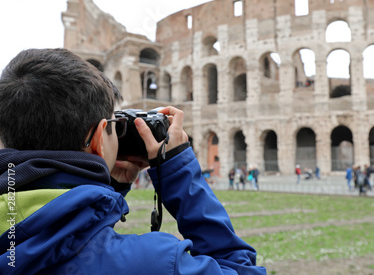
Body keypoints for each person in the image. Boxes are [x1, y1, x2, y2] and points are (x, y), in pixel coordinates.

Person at [0, 49, 265, 274]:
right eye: (114, 126)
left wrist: (109, 185)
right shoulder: (157, 263)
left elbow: (59, 239)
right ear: (98, 141)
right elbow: (237, 266)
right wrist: (179, 173)